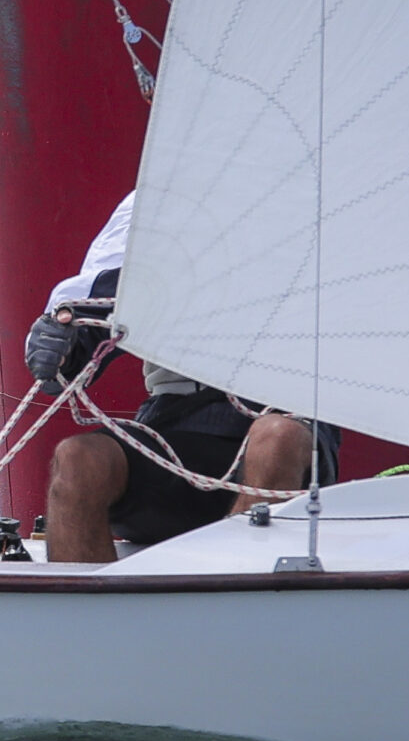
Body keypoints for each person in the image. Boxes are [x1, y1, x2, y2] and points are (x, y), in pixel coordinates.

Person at [32, 191, 339, 563]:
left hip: (288, 424)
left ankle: (240, 594)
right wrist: (63, 347)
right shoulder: (159, 200)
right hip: (177, 423)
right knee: (78, 459)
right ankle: (86, 601)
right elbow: (92, 310)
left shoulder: (321, 195)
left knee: (276, 437)